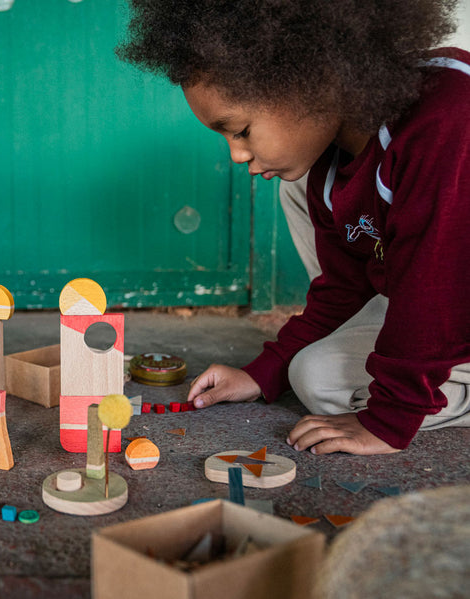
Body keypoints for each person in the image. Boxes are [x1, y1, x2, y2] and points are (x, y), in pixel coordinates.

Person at [118, 0, 470, 455]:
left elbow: (438, 288)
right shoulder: (328, 162)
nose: (236, 156)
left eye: (240, 130)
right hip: (429, 292)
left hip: (450, 293)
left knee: (371, 372)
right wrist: (265, 370)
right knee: (313, 376)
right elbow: (343, 288)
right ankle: (421, 356)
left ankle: (426, 371)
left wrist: (389, 418)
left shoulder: (449, 116)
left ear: (311, 80)